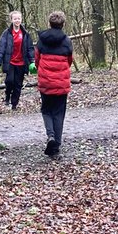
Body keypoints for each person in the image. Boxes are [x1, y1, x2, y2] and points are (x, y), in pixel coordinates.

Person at [35, 10, 73, 159]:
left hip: (45, 82)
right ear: (63, 24)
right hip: (61, 83)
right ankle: (56, 145)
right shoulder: (67, 41)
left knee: (46, 110)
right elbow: (69, 61)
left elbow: (37, 60)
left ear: (49, 23)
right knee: (59, 113)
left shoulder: (41, 40)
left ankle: (50, 136)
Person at [0, 10, 35, 110]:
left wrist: (32, 60)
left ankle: (14, 104)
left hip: (22, 63)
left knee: (18, 84)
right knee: (10, 81)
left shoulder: (25, 34)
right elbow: (1, 48)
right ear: (11, 20)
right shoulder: (6, 34)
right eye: (15, 19)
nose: (17, 20)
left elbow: (30, 48)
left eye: (18, 18)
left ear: (21, 19)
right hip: (10, 62)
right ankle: (7, 96)